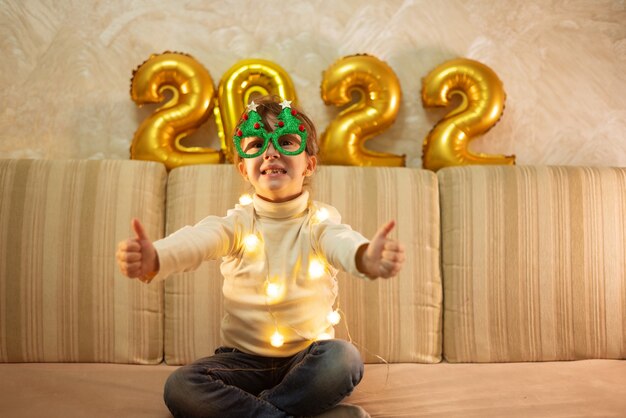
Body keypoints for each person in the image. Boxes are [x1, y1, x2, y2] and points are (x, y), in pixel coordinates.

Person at [116, 95, 405, 418]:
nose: (270, 151)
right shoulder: (237, 225)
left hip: (307, 361)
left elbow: (345, 244)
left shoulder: (320, 225)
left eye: (285, 141)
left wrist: (367, 257)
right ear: (244, 169)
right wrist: (155, 256)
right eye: (256, 145)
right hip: (241, 364)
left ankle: (257, 412)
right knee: (181, 386)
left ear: (309, 164)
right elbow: (197, 240)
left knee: (344, 358)